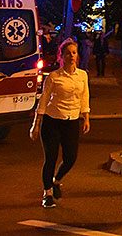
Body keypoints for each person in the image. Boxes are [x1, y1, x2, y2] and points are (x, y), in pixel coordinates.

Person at [30, 39, 90, 208]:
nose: (71, 56)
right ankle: (47, 192)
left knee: (71, 158)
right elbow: (43, 100)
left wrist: (86, 117)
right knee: (51, 158)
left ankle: (56, 180)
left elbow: (84, 96)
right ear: (61, 56)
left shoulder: (82, 75)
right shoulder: (54, 77)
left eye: (74, 52)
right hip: (52, 121)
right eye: (68, 53)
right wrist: (36, 124)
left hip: (71, 121)